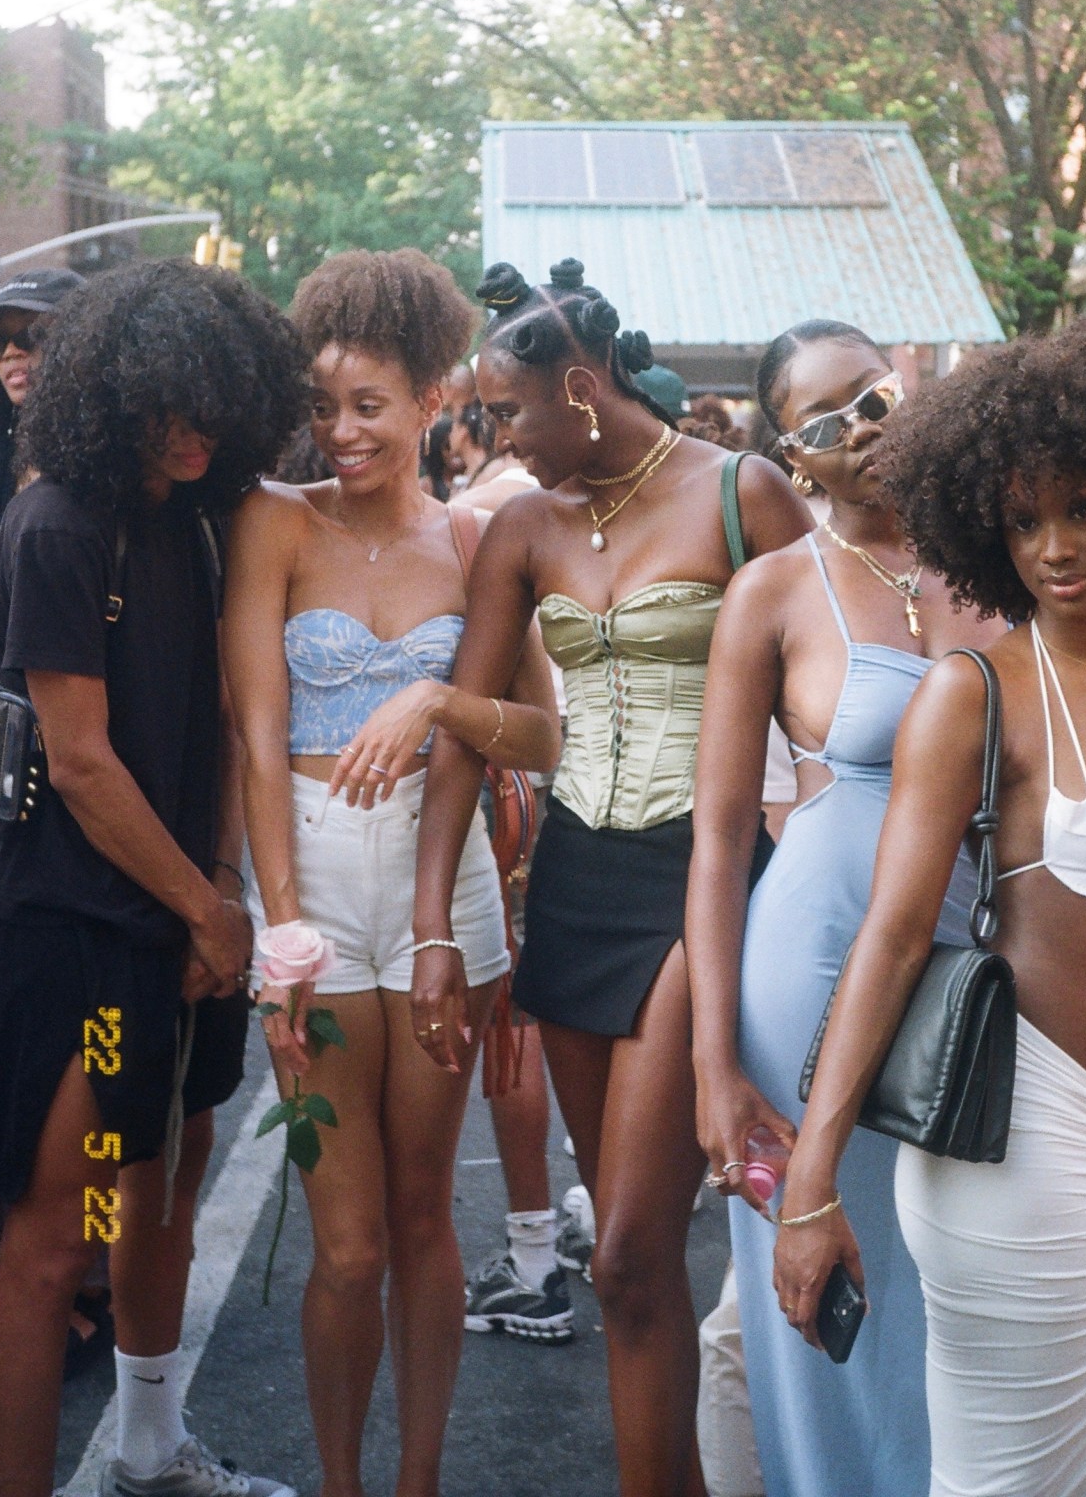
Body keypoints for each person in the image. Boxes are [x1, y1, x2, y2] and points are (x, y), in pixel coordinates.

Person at [773, 317, 1086, 1497]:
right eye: (1022, 519)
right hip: (1023, 1155)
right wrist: (808, 1189)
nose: (1054, 545)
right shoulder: (972, 694)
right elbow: (893, 939)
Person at [411, 257, 811, 1497]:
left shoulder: (743, 493)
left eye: (510, 411)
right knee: (625, 1273)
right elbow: (468, 728)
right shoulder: (524, 527)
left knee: (634, 1245)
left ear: (580, 388)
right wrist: (434, 919)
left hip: (711, 866)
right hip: (577, 876)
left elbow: (834, 685)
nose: (497, 438)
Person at [223, 248, 561, 1497]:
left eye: (369, 404)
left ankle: (417, 1479)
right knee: (348, 1243)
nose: (340, 430)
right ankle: (341, 1481)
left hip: (447, 892)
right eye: (322, 404)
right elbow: (258, 735)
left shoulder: (479, 539)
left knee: (426, 1217)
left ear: (434, 398)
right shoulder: (272, 520)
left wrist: (439, 698)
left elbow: (544, 735)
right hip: (309, 872)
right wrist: (282, 932)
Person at [0, 258, 303, 1497]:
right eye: (170, 406)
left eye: (215, 408)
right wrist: (208, 907)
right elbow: (82, 763)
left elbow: (217, 718)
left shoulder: (194, 522)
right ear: (114, 395)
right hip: (87, 939)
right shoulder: (55, 522)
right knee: (56, 1241)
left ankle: (150, 1447)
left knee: (142, 1191)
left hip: (180, 928)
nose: (194, 432)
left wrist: (219, 884)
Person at [686, 321, 996, 1497]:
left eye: (871, 397)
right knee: (829, 1295)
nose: (862, 432)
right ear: (791, 460)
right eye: (823, 425)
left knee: (969, 1286)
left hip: (980, 959)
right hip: (810, 965)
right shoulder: (773, 590)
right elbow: (718, 838)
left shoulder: (1011, 556)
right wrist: (716, 1059)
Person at [0, 271, 94, 1344]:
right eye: (1, 340)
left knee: (98, 1074)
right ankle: (1, 1255)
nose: (13, 357)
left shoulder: (105, 480)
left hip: (97, 810)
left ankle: (87, 1271)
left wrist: (2, 614)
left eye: (35, 337)